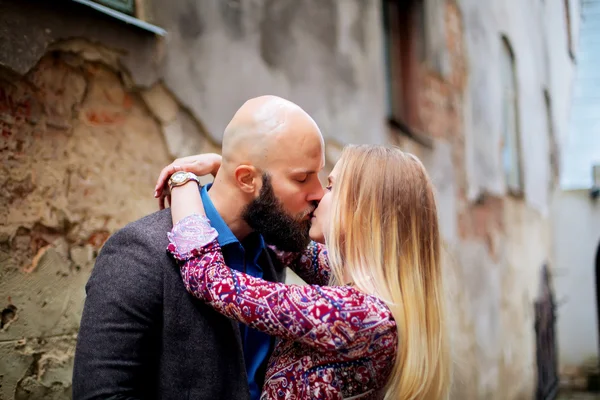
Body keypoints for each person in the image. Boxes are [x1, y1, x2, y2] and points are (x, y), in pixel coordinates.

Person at [72, 95, 326, 400]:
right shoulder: (138, 252)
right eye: (302, 178)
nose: (319, 193)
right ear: (246, 179)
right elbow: (101, 396)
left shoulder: (275, 245)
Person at [164, 145, 451, 399]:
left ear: (362, 211)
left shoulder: (357, 314)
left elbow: (209, 278)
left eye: (331, 187)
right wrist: (232, 177)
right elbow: (285, 241)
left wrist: (182, 181)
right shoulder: (366, 295)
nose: (316, 196)